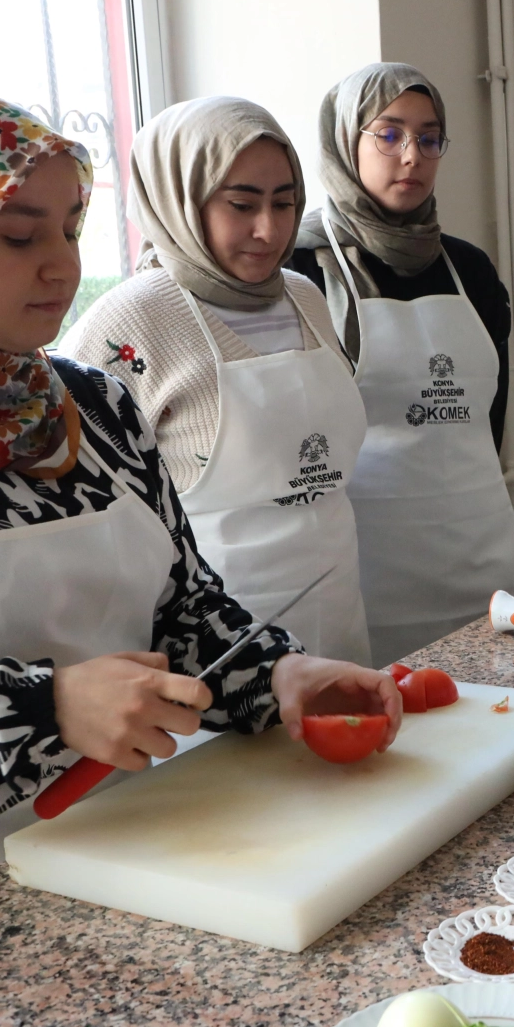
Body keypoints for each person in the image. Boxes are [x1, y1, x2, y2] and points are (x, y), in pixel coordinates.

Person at [0, 83, 401, 952]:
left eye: (67, 228)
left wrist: (275, 675)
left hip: (131, 851)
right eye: (17, 236)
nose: (58, 264)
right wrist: (46, 709)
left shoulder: (94, 406)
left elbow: (184, 607)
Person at [60, 97, 372, 671]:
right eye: (241, 204)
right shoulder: (132, 321)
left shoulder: (304, 297)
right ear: (181, 200)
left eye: (285, 203)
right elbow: (85, 508)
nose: (269, 229)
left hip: (337, 607)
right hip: (220, 644)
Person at [288, 63, 514, 666]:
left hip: (481, 551)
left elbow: (488, 419)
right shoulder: (299, 269)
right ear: (346, 142)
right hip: (370, 570)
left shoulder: (470, 268)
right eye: (389, 135)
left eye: (428, 137)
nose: (411, 155)